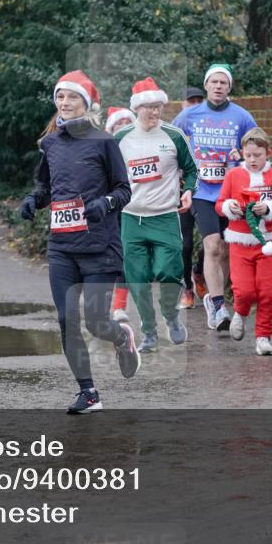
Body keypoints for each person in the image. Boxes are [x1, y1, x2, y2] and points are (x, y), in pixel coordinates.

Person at [18, 70, 137, 414]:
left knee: (97, 323)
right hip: (62, 247)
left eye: (72, 97)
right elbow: (44, 186)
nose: (65, 103)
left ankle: (121, 337)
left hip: (100, 245)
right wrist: (32, 200)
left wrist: (106, 203)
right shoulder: (50, 144)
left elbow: (124, 190)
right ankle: (89, 393)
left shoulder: (104, 142)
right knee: (66, 319)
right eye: (60, 97)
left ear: (86, 104)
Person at [172, 64, 258, 332]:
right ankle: (219, 304)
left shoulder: (242, 117)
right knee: (211, 245)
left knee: (226, 249)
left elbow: (258, 147)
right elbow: (170, 142)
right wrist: (178, 171)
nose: (219, 86)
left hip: (231, 192)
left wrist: (242, 157)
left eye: (224, 82)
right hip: (201, 191)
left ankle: (214, 296)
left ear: (229, 87)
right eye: (214, 82)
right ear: (207, 85)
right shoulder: (189, 115)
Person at [114, 78, 197, 353]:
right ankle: (148, 332)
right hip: (131, 218)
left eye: (158, 107)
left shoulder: (173, 136)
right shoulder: (121, 139)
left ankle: (171, 317)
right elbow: (106, 173)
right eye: (149, 107)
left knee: (169, 272)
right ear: (137, 108)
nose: (154, 112)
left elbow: (191, 170)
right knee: (137, 280)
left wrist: (188, 191)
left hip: (164, 217)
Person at [215, 128, 272, 355]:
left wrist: (269, 208)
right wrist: (230, 207)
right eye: (248, 155)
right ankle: (240, 312)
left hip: (268, 243)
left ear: (268, 153)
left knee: (267, 292)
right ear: (242, 153)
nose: (252, 160)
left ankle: (263, 338)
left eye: (257, 155)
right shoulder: (233, 176)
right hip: (240, 242)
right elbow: (219, 205)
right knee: (245, 291)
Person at [104, 106, 136, 322]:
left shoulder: (143, 146)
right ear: (111, 128)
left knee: (126, 258)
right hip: (109, 210)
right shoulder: (103, 149)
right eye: (118, 124)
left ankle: (119, 308)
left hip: (135, 209)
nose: (123, 127)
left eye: (127, 122)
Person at [178, 86, 205, 309]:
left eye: (199, 101)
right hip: (182, 192)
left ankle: (199, 271)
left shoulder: (208, 129)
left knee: (212, 241)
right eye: (191, 101)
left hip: (207, 192)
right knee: (185, 244)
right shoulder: (176, 131)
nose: (195, 105)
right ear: (183, 105)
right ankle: (187, 288)